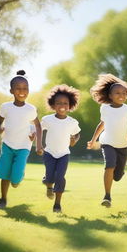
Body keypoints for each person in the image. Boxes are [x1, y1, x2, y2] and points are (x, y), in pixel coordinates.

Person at [87, 74, 127, 208]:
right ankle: (107, 196)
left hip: (123, 145)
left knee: (118, 176)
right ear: (110, 95)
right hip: (107, 142)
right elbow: (101, 124)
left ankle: (120, 171)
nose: (121, 95)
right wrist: (93, 140)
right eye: (117, 93)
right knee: (109, 165)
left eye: (123, 93)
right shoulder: (105, 108)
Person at [0, 70, 43, 209]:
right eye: (18, 88)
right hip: (8, 145)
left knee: (15, 179)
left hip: (23, 146)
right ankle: (3, 199)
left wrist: (38, 145)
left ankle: (17, 178)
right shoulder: (5, 107)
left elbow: (38, 126)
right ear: (11, 90)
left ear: (28, 90)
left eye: (25, 88)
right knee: (5, 173)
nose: (22, 91)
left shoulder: (31, 109)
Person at [41, 85, 81, 213]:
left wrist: (74, 140)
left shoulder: (72, 122)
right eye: (58, 103)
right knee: (50, 178)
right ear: (53, 105)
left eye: (65, 103)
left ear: (70, 105)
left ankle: (57, 204)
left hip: (64, 154)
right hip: (49, 153)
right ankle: (48, 184)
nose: (62, 105)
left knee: (60, 177)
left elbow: (77, 134)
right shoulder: (47, 119)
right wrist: (34, 139)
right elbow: (38, 129)